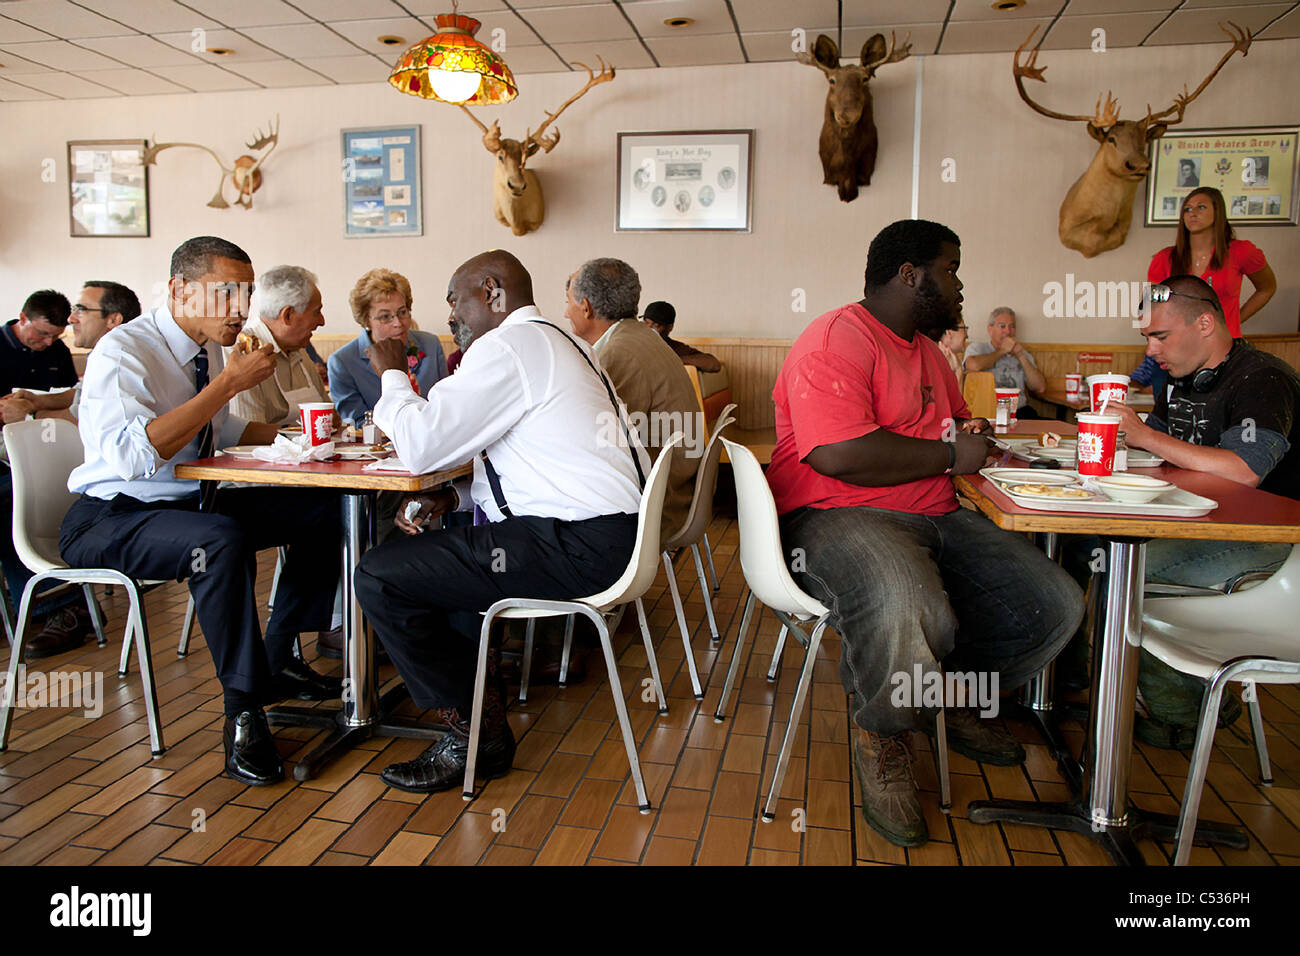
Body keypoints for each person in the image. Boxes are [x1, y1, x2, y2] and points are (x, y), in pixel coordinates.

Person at [767, 219, 1082, 847]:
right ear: (912, 275)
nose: (961, 285)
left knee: (1055, 605)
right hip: (837, 515)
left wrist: (975, 439)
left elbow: (959, 425)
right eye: (952, 269)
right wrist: (950, 457)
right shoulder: (835, 339)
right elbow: (836, 453)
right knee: (911, 607)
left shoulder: (930, 351)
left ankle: (943, 694)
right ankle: (883, 731)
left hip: (937, 514)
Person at [354, 250, 648, 794]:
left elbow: (419, 446)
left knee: (379, 574)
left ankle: (473, 736)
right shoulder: (560, 341)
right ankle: (480, 719)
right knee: (449, 549)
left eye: (454, 301)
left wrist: (393, 375)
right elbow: (533, 459)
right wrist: (458, 496)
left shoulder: (509, 346)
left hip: (580, 545)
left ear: (491, 292)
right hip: (607, 536)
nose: (449, 317)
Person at [59, 236, 343, 787]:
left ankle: (277, 656)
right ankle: (244, 710)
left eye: (246, 293)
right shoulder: (123, 352)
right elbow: (135, 455)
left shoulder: (205, 346)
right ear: (178, 290)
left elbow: (222, 430)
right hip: (112, 515)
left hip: (192, 503)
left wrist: (315, 439)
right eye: (226, 292)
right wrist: (227, 385)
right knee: (217, 540)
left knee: (324, 505)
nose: (240, 308)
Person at [1074, 275, 1300, 749]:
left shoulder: (1263, 378)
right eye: (1147, 338)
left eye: (1160, 336)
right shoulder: (1179, 381)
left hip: (1270, 541)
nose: (1151, 350)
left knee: (1126, 576)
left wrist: (1145, 436)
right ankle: (1093, 685)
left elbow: (1244, 471)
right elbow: (1155, 451)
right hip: (1198, 525)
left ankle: (1185, 714)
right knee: (1089, 551)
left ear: (1204, 322)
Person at [566, 259, 699, 537]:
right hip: (677, 489)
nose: (566, 313)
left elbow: (604, 447)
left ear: (586, 307)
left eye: (568, 302)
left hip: (658, 506)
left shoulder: (619, 353)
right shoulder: (639, 336)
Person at [0, 290, 87, 655]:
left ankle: (59, 605)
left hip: (34, 449)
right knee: (14, 500)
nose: (47, 343)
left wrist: (32, 407)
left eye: (55, 336)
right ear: (22, 319)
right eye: (40, 334)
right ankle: (58, 605)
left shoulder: (57, 352)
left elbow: (68, 400)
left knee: (33, 497)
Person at [1148, 187, 1275, 338]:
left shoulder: (1241, 251)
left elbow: (1267, 288)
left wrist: (1234, 321)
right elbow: (1152, 308)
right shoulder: (1165, 258)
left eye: (1201, 207)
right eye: (1187, 209)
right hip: (1180, 346)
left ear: (1218, 212)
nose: (1192, 213)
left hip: (1224, 345)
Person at [327, 268, 447, 425]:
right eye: (385, 317)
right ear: (366, 320)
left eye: (402, 312)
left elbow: (445, 406)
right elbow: (357, 422)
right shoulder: (342, 362)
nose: (398, 323)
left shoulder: (431, 345)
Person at [227, 265, 328, 427]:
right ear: (287, 315)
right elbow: (249, 441)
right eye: (317, 312)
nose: (322, 321)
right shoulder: (242, 353)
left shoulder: (299, 350)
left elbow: (330, 418)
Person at [963, 307, 1047, 418]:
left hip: (1019, 411)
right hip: (988, 412)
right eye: (1002, 326)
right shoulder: (978, 348)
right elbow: (972, 366)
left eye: (1012, 327)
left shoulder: (1023, 354)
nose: (1008, 331)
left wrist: (1020, 355)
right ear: (990, 329)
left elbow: (1040, 387)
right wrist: (1002, 351)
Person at [641, 300, 721, 373]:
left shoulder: (675, 347)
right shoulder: (636, 343)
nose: (649, 329)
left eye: (656, 325)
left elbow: (713, 364)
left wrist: (672, 359)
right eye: (646, 323)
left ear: (670, 327)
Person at [933, 319, 968, 389]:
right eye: (964, 329)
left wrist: (958, 371)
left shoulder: (955, 362)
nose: (966, 335)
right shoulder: (931, 363)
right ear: (948, 333)